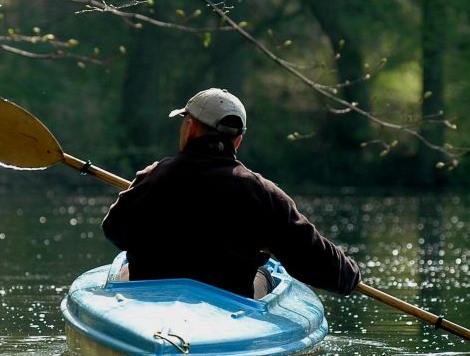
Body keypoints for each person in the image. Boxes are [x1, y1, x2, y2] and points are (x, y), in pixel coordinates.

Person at [101, 88, 361, 299]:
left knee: (125, 267)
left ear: (190, 128)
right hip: (227, 305)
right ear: (237, 141)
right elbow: (316, 262)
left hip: (152, 301)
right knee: (267, 273)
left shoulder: (152, 177)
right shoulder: (263, 193)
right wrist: (349, 275)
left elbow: (114, 230)